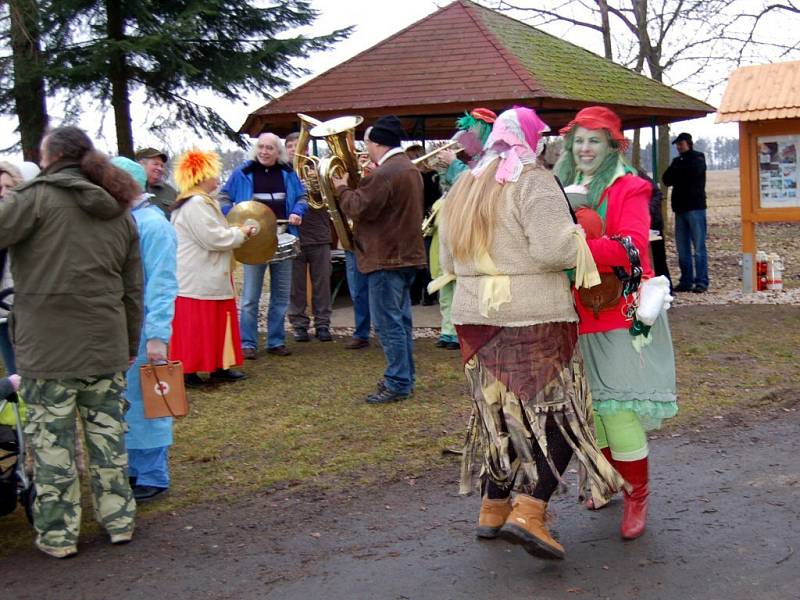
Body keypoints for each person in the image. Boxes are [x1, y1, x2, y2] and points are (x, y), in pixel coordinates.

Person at [438, 107, 623, 561]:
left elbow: (445, 256)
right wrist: (581, 231)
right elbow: (552, 249)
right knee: (561, 414)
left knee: (499, 416)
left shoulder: (466, 181)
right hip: (532, 315)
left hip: (475, 317)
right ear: (533, 139)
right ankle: (531, 511)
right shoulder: (532, 179)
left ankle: (493, 507)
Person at [0, 126, 143, 558]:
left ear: (49, 157)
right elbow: (132, 289)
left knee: (52, 449)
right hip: (105, 346)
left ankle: (59, 537)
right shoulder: (118, 209)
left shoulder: (33, 201)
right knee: (109, 442)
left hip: (47, 352)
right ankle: (119, 522)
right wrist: (129, 343)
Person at [555, 106, 678, 540]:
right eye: (579, 140)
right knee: (598, 412)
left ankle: (636, 494)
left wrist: (577, 241)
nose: (585, 148)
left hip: (620, 314)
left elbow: (633, 249)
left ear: (612, 145)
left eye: (595, 140)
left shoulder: (630, 187)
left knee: (619, 410)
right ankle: (608, 480)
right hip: (577, 315)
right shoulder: (561, 186)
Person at [333, 116, 426, 403]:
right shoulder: (409, 169)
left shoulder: (385, 173)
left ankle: (397, 382)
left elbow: (357, 207)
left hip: (386, 258)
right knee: (401, 322)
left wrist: (340, 187)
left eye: (368, 143)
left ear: (377, 143)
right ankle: (404, 378)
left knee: (388, 325)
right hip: (405, 256)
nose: (366, 148)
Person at [111, 157, 178, 503]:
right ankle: (134, 468)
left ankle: (152, 473)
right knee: (128, 401)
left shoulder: (152, 225)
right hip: (122, 326)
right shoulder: (125, 222)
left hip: (146, 328)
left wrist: (157, 336)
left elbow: (163, 284)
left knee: (150, 400)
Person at [169, 149, 255, 387]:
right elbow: (213, 238)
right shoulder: (196, 204)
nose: (218, 178)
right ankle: (191, 370)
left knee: (216, 322)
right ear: (201, 175)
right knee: (199, 325)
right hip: (199, 277)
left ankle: (218, 365)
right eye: (213, 174)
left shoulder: (198, 202)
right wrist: (240, 233)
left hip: (208, 275)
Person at [221, 132, 308, 358]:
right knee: (250, 296)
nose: (264, 151)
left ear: (277, 151)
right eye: (261, 147)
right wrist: (233, 216)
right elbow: (224, 197)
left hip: (282, 236)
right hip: (252, 241)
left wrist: (297, 212)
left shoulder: (288, 173)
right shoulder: (243, 172)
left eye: (270, 148)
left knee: (280, 294)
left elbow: (301, 197)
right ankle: (248, 343)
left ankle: (276, 340)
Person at [427, 108, 497, 350]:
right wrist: (443, 169)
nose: (467, 135)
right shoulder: (470, 157)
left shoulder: (494, 156)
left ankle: (467, 330)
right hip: (452, 225)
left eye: (471, 130)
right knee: (446, 278)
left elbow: (475, 184)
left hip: (475, 228)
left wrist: (454, 164)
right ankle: (449, 330)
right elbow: (453, 188)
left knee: (467, 282)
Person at [285, 132, 333, 343]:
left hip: (320, 234)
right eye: (291, 146)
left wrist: (317, 186)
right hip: (293, 236)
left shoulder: (317, 171)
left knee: (322, 283)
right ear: (286, 150)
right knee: (296, 285)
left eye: (300, 146)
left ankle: (323, 324)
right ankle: (299, 324)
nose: (296, 150)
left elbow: (332, 200)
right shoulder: (282, 174)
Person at [662, 132, 708, 293]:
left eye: (681, 144)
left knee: (699, 247)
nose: (678, 147)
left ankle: (702, 281)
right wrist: (679, 172)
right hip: (680, 209)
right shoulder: (677, 161)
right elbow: (666, 179)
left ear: (688, 143)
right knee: (682, 249)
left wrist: (678, 172)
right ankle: (686, 280)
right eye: (677, 144)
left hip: (696, 208)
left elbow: (691, 174)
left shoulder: (698, 158)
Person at [405, 144, 442, 306]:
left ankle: (428, 295)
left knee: (426, 261)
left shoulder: (431, 176)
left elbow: (436, 198)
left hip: (427, 220)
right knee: (417, 261)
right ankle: (416, 296)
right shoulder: (408, 176)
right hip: (415, 221)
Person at [135, 147, 178, 217]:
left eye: (162, 166)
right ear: (141, 164)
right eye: (156, 164)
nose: (160, 168)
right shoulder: (130, 189)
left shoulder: (171, 192)